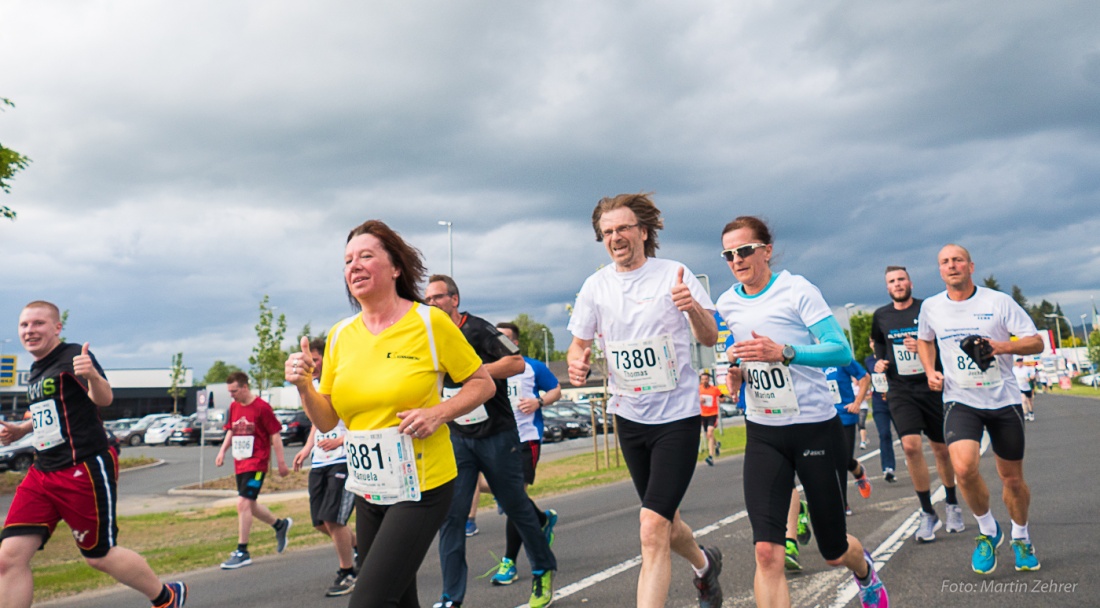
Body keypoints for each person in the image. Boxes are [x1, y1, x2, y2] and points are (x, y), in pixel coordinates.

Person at [286, 219, 495, 607]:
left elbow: (483, 383)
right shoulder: (340, 335)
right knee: (399, 600)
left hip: (422, 484)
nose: (354, 266)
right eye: (347, 260)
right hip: (369, 485)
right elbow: (328, 419)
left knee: (368, 600)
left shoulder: (430, 323)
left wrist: (439, 413)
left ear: (396, 267)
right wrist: (304, 387)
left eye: (366, 256)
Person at [715, 216, 888, 608]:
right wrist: (737, 372)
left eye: (744, 250)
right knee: (767, 552)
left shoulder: (796, 290)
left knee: (833, 548)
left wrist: (786, 352)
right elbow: (740, 353)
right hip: (763, 432)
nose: (737, 260)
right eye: (729, 254)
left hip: (813, 428)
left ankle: (864, 571)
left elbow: (839, 350)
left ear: (766, 250)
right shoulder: (727, 303)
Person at [567, 193, 722, 608]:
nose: (615, 238)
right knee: (665, 523)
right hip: (629, 418)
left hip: (678, 417)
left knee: (651, 527)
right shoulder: (595, 286)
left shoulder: (674, 274)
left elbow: (710, 337)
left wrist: (692, 309)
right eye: (607, 232)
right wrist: (577, 362)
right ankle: (706, 565)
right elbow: (577, 345)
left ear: (644, 232)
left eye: (622, 229)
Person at [0, 301, 187, 608]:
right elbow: (55, 410)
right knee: (8, 557)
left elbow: (103, 397)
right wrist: (22, 429)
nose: (29, 331)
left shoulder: (74, 356)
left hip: (82, 467)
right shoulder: (37, 369)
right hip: (43, 472)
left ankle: (167, 597)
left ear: (57, 327)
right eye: (24, 325)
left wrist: (94, 376)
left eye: (38, 324)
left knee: (99, 556)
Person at [425, 275, 557, 608]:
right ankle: (450, 597)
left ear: (454, 299)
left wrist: (476, 370)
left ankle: (542, 569)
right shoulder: (428, 338)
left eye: (438, 298)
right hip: (458, 438)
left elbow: (516, 362)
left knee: (515, 506)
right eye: (427, 300)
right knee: (452, 517)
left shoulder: (479, 330)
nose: (432, 305)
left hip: (497, 435)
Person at [917, 244, 1044, 575]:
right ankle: (988, 531)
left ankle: (1021, 537)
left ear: (971, 266)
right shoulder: (931, 307)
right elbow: (924, 340)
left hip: (1003, 400)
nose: (952, 265)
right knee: (963, 468)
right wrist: (930, 370)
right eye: (945, 262)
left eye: (957, 260)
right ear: (940, 271)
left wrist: (1001, 346)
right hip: (961, 400)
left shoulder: (997, 302)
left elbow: (1036, 342)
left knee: (1012, 479)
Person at [870, 265, 963, 542]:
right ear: (887, 287)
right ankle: (927, 512)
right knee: (910, 447)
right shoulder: (881, 315)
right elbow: (878, 342)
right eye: (892, 281)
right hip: (901, 389)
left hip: (931, 386)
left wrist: (922, 347)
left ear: (910, 282)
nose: (897, 285)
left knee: (942, 450)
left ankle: (952, 503)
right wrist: (880, 361)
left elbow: (944, 343)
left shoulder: (928, 309)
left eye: (901, 279)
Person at [488, 321, 562, 587]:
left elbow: (556, 389)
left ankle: (509, 562)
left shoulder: (532, 366)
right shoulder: (487, 369)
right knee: (494, 490)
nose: (500, 344)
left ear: (515, 343)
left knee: (513, 499)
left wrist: (538, 401)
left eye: (506, 339)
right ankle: (542, 519)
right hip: (497, 441)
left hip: (526, 439)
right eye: (497, 339)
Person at [291, 337, 357, 597]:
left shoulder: (344, 382)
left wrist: (341, 440)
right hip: (320, 461)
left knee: (334, 519)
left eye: (316, 360)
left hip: (343, 459)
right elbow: (318, 423)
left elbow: (360, 421)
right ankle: (368, 548)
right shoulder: (314, 386)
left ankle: (348, 571)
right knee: (320, 522)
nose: (312, 364)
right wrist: (307, 448)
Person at [215, 371, 292, 569]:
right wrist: (222, 451)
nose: (232, 395)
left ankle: (243, 550)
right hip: (240, 463)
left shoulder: (262, 408)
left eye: (234, 391)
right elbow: (231, 430)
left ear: (245, 387)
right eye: (229, 391)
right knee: (250, 505)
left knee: (243, 503)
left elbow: (275, 435)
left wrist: (281, 463)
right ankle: (280, 525)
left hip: (257, 464)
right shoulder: (234, 407)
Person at [827, 360, 873, 514]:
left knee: (842, 460)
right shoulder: (810, 360)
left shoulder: (840, 357)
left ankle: (844, 501)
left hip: (845, 416)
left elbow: (865, 377)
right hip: (823, 417)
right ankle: (842, 501)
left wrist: (857, 402)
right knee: (830, 461)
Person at [863, 340, 897, 482]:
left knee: (905, 436)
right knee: (884, 434)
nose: (873, 344)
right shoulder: (869, 360)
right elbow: (869, 375)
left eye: (876, 341)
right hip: (879, 403)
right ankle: (888, 468)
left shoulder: (892, 356)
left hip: (896, 400)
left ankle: (912, 459)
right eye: (871, 341)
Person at [699, 372, 724, 466]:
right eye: (702, 379)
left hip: (712, 414)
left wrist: (719, 400)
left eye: (706, 379)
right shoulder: (698, 389)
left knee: (710, 432)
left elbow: (722, 398)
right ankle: (716, 444)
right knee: (708, 435)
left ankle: (710, 457)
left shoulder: (714, 389)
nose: (704, 381)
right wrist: (699, 400)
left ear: (709, 379)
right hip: (702, 414)